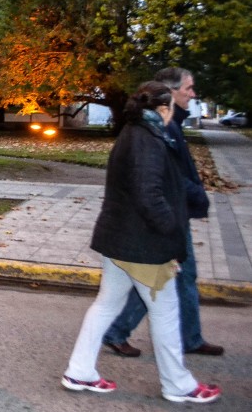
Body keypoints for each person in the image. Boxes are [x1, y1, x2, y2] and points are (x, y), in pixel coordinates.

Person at [61, 81, 220, 404]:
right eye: (171, 108)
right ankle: (178, 384)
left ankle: (79, 371)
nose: (172, 113)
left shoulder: (135, 134)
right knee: (165, 312)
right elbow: (149, 196)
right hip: (143, 246)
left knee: (106, 305)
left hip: (121, 242)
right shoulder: (147, 140)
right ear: (162, 108)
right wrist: (173, 238)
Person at [103, 67, 223, 358]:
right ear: (169, 94)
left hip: (166, 216)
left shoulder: (166, 125)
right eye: (189, 88)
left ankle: (185, 340)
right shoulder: (156, 130)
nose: (192, 94)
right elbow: (158, 182)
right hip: (163, 219)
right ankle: (175, 359)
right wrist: (183, 209)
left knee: (166, 282)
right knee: (160, 286)